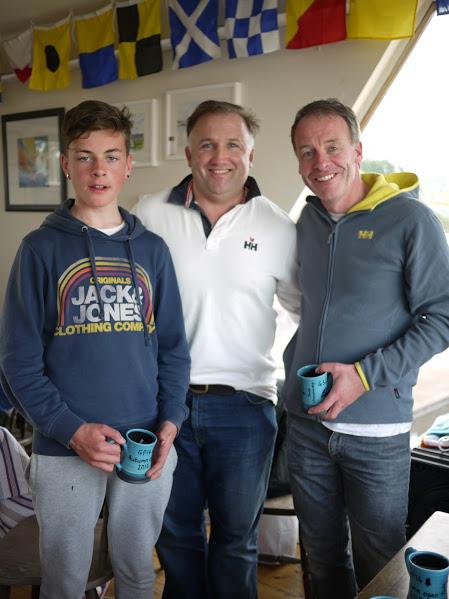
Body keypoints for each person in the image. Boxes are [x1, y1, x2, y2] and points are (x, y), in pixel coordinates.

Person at [0, 100, 190, 599]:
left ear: (129, 164)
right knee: (64, 579)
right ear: (66, 164)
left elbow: (173, 348)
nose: (98, 169)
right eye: (84, 156)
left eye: (110, 155)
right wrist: (71, 430)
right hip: (65, 448)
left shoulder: (152, 251)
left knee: (135, 572)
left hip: (146, 443)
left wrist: (171, 421)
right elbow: (17, 362)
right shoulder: (39, 250)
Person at [133, 100, 300, 599]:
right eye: (207, 144)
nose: (219, 157)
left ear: (251, 155)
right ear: (188, 153)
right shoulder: (148, 212)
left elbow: (303, 309)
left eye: (233, 145)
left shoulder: (277, 226)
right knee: (176, 534)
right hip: (164, 403)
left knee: (236, 541)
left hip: (246, 406)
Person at [283, 98, 449, 598]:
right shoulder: (306, 223)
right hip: (306, 424)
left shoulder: (411, 219)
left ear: (357, 150)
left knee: (382, 561)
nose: (320, 162)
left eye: (332, 147)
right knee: (319, 556)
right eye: (307, 152)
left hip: (377, 429)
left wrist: (364, 374)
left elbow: (441, 317)